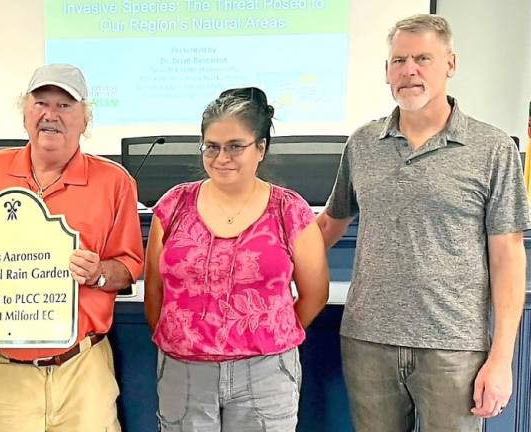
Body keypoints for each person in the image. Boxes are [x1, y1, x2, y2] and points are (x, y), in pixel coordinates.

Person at [317, 14, 530, 431]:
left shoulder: (493, 148)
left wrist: (502, 358)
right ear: (386, 71)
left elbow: (508, 256)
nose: (408, 70)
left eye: (422, 59)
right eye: (398, 60)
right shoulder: (362, 144)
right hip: (368, 343)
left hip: (455, 349)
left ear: (450, 63)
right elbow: (329, 225)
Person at [0, 63, 144, 432]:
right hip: (6, 375)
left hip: (82, 371)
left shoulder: (114, 182)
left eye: (65, 106)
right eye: (41, 103)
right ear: (25, 112)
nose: (51, 115)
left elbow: (129, 265)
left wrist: (98, 273)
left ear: (85, 119)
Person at [144, 87, 329, 431]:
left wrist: (268, 338)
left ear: (260, 148)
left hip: (265, 375)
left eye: (235, 146)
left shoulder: (290, 210)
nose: (221, 157)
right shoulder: (173, 206)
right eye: (211, 146)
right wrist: (186, 341)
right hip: (184, 375)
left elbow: (316, 294)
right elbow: (154, 294)